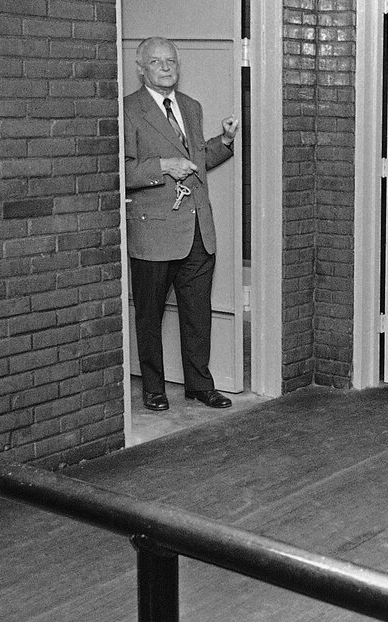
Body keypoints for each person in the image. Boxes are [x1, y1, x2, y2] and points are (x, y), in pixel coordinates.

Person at [123, 36, 239, 411]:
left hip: (197, 232)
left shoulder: (190, 106)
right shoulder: (127, 111)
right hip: (154, 232)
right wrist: (163, 167)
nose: (166, 67)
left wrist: (224, 140)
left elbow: (195, 157)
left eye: (171, 61)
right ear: (140, 68)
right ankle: (153, 388)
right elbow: (120, 170)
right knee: (150, 316)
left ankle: (199, 385)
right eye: (156, 62)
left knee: (197, 314)